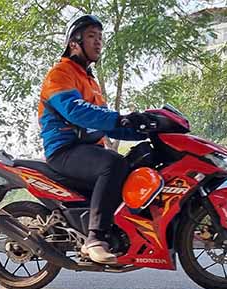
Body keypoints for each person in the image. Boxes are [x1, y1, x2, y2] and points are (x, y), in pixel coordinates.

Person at [38, 14, 154, 264]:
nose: (98, 42)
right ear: (74, 43)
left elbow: (106, 123)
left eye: (100, 37)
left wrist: (142, 128)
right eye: (91, 36)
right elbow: (76, 111)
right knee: (113, 163)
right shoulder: (60, 73)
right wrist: (118, 119)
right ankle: (94, 239)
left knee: (134, 163)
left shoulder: (89, 80)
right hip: (65, 150)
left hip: (87, 149)